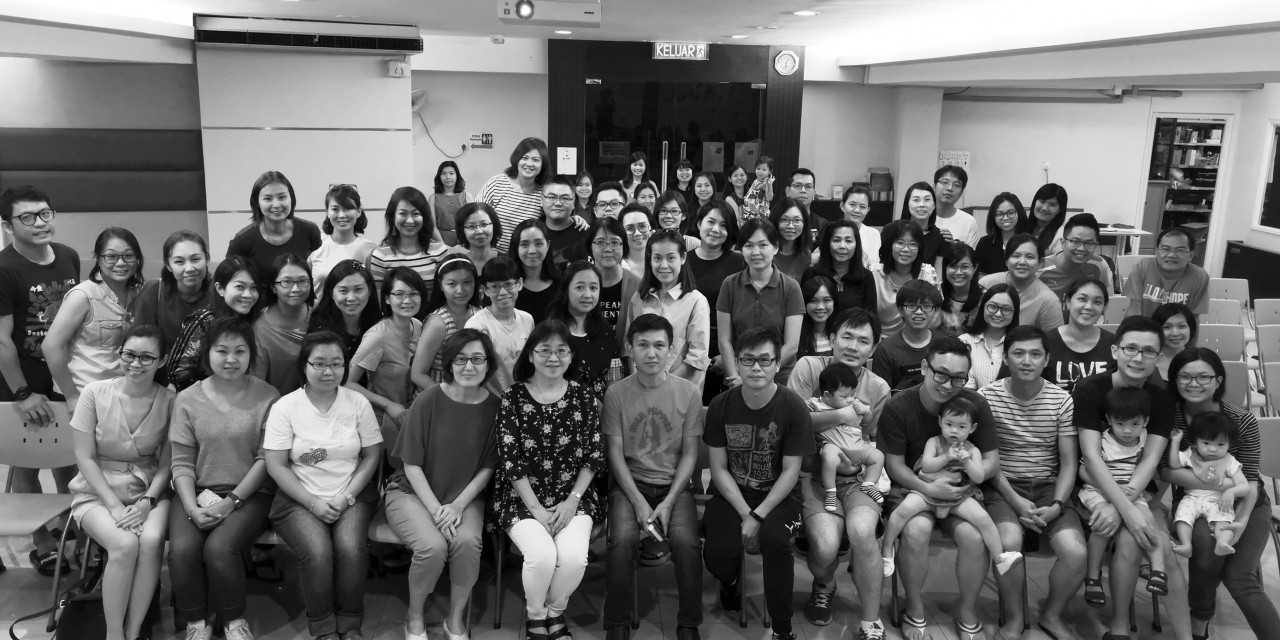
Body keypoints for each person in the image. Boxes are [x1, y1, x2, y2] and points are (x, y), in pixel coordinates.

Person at [1072, 315, 1190, 639]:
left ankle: (1183, 636)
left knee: (1152, 541)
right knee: (1137, 534)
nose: (1139, 358)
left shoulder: (1161, 398)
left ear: (1158, 356)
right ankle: (1120, 626)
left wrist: (1125, 506)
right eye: (1131, 349)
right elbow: (1091, 456)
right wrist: (1122, 508)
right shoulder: (1090, 389)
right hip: (1094, 488)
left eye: (1149, 351)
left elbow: (1151, 458)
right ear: (1115, 350)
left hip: (1139, 492)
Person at [877, 336, 1001, 640]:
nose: (948, 385)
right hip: (912, 488)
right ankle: (915, 608)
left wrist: (968, 475)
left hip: (961, 490)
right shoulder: (898, 406)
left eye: (959, 378)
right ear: (924, 367)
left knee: (974, 537)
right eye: (941, 374)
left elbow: (991, 462)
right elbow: (895, 466)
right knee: (916, 531)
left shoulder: (975, 405)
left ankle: (967, 610)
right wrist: (929, 488)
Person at [264, 331, 383, 640]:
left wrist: (347, 496)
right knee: (317, 552)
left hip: (352, 493)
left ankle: (350, 622)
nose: (329, 371)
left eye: (336, 363)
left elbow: (372, 456)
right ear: (304, 365)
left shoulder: (357, 402)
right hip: (298, 497)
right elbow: (276, 466)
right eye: (319, 363)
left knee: (351, 548)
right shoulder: (286, 407)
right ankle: (323, 627)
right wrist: (313, 502)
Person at [492, 320, 605, 640]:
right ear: (530, 354)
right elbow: (511, 460)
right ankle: (536, 616)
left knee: (573, 559)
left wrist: (571, 502)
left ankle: (555, 611)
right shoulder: (512, 397)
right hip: (521, 498)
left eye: (561, 351)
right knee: (541, 556)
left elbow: (594, 454)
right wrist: (537, 510)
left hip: (574, 497)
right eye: (544, 350)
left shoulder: (584, 396)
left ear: (571, 356)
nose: (553, 358)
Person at [168, 317, 280, 640]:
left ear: (251, 355)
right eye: (222, 351)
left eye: (240, 351)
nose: (231, 359)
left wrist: (232, 501)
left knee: (220, 548)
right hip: (196, 491)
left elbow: (265, 459)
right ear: (207, 354)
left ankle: (233, 621)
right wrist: (191, 508)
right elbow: (182, 463)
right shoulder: (187, 399)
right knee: (183, 550)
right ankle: (196, 623)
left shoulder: (268, 396)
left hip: (250, 494)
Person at [385, 329, 499, 640]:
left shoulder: (495, 407)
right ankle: (415, 615)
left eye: (477, 359)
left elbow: (489, 465)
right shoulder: (428, 400)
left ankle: (455, 618)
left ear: (488, 364)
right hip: (412, 493)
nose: (468, 366)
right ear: (449, 363)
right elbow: (411, 465)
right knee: (432, 548)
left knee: (468, 543)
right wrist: (438, 510)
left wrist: (458, 505)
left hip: (465, 497)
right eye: (460, 359)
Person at [787, 308, 890, 640]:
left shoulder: (878, 386)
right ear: (831, 338)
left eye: (863, 341)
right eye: (846, 336)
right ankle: (825, 583)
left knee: (862, 531)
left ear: (874, 348)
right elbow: (793, 422)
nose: (853, 346)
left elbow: (870, 436)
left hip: (857, 477)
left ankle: (870, 621)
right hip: (812, 475)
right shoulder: (808, 367)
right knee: (826, 546)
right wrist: (844, 414)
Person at [702, 328, 812, 640]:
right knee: (718, 554)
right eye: (748, 360)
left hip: (780, 497)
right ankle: (730, 581)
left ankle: (782, 629)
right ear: (736, 363)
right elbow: (718, 468)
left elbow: (791, 471)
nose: (756, 368)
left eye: (765, 360)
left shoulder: (794, 407)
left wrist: (759, 515)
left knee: (776, 542)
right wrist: (745, 513)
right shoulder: (720, 405)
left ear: (778, 364)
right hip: (732, 494)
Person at [977, 325, 1086, 640]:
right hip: (1002, 485)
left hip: (1050, 486)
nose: (1027, 361)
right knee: (1008, 543)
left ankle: (1051, 615)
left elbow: (1068, 462)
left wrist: (1057, 505)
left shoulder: (1061, 400)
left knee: (1076, 553)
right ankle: (1014, 618)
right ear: (1006, 358)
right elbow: (989, 461)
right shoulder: (986, 398)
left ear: (1046, 359)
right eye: (1019, 353)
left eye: (1035, 354)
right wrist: (1014, 500)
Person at [67, 325, 175, 640]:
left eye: (147, 357)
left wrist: (147, 502)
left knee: (151, 541)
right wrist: (114, 506)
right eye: (129, 354)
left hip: (149, 490)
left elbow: (167, 464)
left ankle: (134, 630)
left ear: (162, 360)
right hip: (96, 492)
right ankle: (114, 634)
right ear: (120, 354)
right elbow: (84, 456)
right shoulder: (94, 393)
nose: (136, 363)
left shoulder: (172, 400)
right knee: (125, 544)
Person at [1163, 347, 1280, 638]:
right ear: (1174, 380)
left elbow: (1250, 481)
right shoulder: (1169, 419)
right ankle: (1198, 625)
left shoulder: (1241, 420)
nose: (1194, 383)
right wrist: (1221, 484)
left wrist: (1239, 523)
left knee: (1239, 577)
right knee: (1205, 556)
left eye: (1203, 377)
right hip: (1195, 503)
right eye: (1185, 377)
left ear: (1218, 381)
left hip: (1247, 504)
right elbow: (1165, 471)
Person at [602, 314, 704, 640]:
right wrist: (638, 502)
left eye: (659, 345)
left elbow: (690, 454)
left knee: (687, 543)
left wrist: (670, 501)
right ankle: (617, 621)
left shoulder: (689, 393)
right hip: (630, 484)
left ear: (671, 349)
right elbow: (615, 453)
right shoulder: (616, 394)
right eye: (643, 345)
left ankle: (689, 623)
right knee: (622, 541)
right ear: (630, 348)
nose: (651, 353)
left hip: (675, 486)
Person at [0, 186, 80, 573]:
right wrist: (23, 393)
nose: (40, 223)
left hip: (64, 379)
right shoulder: (4, 268)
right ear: (8, 225)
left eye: (45, 213)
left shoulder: (68, 256)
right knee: (27, 462)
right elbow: (1, 340)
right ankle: (42, 541)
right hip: (23, 384)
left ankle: (71, 525)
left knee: (67, 458)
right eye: (27, 217)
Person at [880, 394, 1022, 577]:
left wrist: (968, 462)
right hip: (927, 492)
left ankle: (1000, 558)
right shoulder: (934, 442)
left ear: (972, 428)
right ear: (940, 422)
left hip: (958, 496)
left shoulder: (972, 450)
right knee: (904, 510)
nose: (954, 430)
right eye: (949, 424)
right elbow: (926, 466)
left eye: (961, 426)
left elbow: (979, 477)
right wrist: (946, 457)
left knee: (983, 519)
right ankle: (887, 548)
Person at [1076, 387, 1171, 602]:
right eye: (1120, 424)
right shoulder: (1102, 441)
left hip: (1132, 493)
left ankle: (1158, 571)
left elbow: (1150, 469)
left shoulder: (1145, 441)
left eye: (1135, 424)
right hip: (1098, 490)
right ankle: (1093, 576)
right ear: (1109, 419)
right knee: (1102, 525)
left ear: (1146, 421)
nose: (1127, 431)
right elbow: (1083, 471)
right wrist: (1111, 488)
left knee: (1148, 520)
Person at [43, 227, 145, 409]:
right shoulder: (83, 295)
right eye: (111, 256)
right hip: (83, 395)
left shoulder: (138, 293)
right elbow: (51, 346)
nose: (121, 263)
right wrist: (72, 396)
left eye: (128, 256)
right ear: (98, 259)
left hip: (120, 394)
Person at [716, 219, 804, 386]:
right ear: (741, 249)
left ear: (775, 247)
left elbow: (792, 345)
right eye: (749, 246)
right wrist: (737, 377)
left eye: (763, 245)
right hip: (738, 376)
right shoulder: (729, 284)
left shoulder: (791, 287)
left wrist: (762, 374)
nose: (756, 252)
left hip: (780, 378)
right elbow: (724, 341)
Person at [347, 267, 426, 450]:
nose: (407, 300)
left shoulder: (418, 325)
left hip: (411, 415)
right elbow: (347, 382)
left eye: (413, 294)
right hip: (383, 420)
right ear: (388, 299)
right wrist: (388, 405)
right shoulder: (378, 336)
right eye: (399, 294)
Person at [623, 230, 710, 390]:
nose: (664, 265)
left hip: (679, 390)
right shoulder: (639, 298)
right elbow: (629, 346)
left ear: (683, 258)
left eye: (671, 258)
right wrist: (639, 383)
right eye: (657, 258)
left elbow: (696, 357)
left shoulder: (696, 302)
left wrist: (662, 385)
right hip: (641, 389)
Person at [130, 230, 214, 385]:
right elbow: (140, 345)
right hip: (161, 384)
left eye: (196, 259)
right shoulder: (154, 291)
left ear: (207, 258)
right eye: (179, 262)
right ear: (168, 265)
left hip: (210, 384)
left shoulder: (219, 293)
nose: (189, 268)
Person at [169, 257, 261, 391]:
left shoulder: (254, 320)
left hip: (238, 393)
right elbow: (178, 372)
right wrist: (207, 395)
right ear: (220, 288)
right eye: (240, 287)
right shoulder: (203, 321)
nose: (248, 295)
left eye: (253, 288)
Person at [686, 201, 744, 402]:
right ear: (699, 223)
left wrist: (729, 355)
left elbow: (742, 311)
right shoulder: (683, 261)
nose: (716, 229)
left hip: (724, 343)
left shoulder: (739, 262)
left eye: (723, 225)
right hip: (689, 344)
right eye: (710, 222)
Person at [809, 363, 886, 511]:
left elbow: (867, 423)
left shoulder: (855, 404)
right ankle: (830, 492)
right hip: (836, 449)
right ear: (827, 396)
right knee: (829, 455)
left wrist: (866, 411)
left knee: (878, 456)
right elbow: (803, 417)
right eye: (845, 396)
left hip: (858, 446)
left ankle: (869, 484)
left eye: (853, 394)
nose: (850, 399)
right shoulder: (815, 404)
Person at [1168, 413, 1247, 557]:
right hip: (1191, 498)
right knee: (1182, 518)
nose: (1213, 449)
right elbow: (1174, 464)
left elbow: (1244, 485)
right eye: (1206, 443)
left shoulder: (1229, 461)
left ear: (1229, 444)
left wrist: (1231, 492)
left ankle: (1222, 543)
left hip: (1218, 500)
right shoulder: (1191, 454)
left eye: (1220, 444)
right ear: (1196, 441)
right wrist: (1175, 442)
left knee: (1225, 522)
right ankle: (1186, 545)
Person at [226, 171, 322, 280]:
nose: (276, 204)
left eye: (282, 197)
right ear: (257, 202)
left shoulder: (310, 231)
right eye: (268, 198)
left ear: (291, 198)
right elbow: (228, 280)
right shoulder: (242, 240)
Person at [549, 260, 625, 399]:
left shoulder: (604, 329)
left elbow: (614, 372)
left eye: (593, 288)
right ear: (566, 289)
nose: (588, 295)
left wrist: (610, 405)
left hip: (603, 407)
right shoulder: (551, 331)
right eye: (580, 287)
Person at [464, 254, 534, 395]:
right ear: (485, 290)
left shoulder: (527, 319)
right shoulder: (476, 326)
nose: (503, 292)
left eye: (508, 284)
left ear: (519, 284)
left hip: (527, 397)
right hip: (492, 400)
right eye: (494, 287)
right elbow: (474, 372)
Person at [410, 256, 481, 389]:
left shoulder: (480, 315)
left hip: (469, 392)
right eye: (452, 284)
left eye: (467, 282)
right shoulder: (438, 323)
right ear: (441, 285)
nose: (460, 290)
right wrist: (449, 397)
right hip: (437, 393)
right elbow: (418, 374)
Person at [368, 186, 449, 298]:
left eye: (416, 214)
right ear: (393, 216)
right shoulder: (380, 255)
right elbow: (380, 299)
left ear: (424, 217)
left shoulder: (439, 251)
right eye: (403, 214)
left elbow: (445, 295)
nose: (410, 220)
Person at [250, 254, 313, 395]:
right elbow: (256, 383)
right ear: (273, 287)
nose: (296, 289)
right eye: (286, 282)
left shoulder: (320, 316)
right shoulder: (259, 327)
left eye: (302, 281)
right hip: (274, 402)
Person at [977, 233, 1063, 333]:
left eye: (1030, 257)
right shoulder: (986, 284)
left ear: (1040, 263)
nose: (1022, 262)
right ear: (1006, 260)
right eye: (1016, 256)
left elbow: (1053, 340)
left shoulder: (1049, 301)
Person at [479, 137, 552, 252]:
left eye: (535, 160)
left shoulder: (544, 193)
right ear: (517, 159)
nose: (529, 164)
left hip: (525, 256)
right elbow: (475, 215)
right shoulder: (497, 183)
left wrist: (573, 219)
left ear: (543, 164)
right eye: (524, 158)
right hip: (492, 254)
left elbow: (554, 219)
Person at [870, 220, 938, 341]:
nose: (906, 249)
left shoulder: (927, 273)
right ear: (890, 244)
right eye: (900, 243)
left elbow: (935, 314)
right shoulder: (874, 273)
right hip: (877, 338)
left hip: (914, 338)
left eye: (913, 244)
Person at [1044, 277, 1115, 392]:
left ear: (1104, 307)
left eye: (1097, 302)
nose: (1089, 307)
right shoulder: (1046, 342)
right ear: (1068, 301)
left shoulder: (1114, 344)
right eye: (1082, 299)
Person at [1123, 226, 1210, 317]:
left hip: (1177, 326)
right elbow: (1135, 309)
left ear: (1191, 255)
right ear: (1156, 252)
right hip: (1145, 325)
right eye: (1165, 249)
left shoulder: (1199, 276)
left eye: (1180, 250)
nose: (1172, 255)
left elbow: (1193, 317)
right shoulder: (1143, 267)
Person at [873, 279, 942, 391]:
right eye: (911, 305)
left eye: (926, 306)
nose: (919, 312)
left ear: (936, 310)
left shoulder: (944, 345)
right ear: (900, 309)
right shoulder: (885, 350)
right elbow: (881, 395)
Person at [308, 184, 376, 292]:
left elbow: (372, 290)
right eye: (335, 209)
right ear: (327, 212)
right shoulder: (316, 242)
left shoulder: (369, 249)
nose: (341, 215)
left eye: (348, 208)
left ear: (359, 211)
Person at [307, 259, 379, 359]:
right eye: (343, 291)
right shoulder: (319, 328)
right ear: (331, 294)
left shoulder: (379, 326)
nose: (351, 298)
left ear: (370, 290)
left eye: (358, 289)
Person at [1035, 213, 1116, 300]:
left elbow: (1109, 301)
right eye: (1075, 241)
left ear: (1095, 245)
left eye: (1089, 243)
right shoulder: (1039, 268)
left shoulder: (1100, 265)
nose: (1081, 248)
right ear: (1063, 243)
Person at [959, 283, 1020, 390]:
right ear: (983, 307)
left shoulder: (1020, 346)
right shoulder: (964, 342)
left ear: (1014, 313)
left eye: (1006, 309)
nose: (998, 314)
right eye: (992, 306)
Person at [585, 215, 640, 330]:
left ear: (624, 246)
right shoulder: (579, 283)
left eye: (615, 242)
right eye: (600, 242)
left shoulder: (638, 286)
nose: (608, 249)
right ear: (590, 246)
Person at [509, 219, 562, 320]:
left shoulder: (561, 286)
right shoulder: (507, 287)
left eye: (538, 243)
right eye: (524, 244)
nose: (532, 251)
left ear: (548, 245)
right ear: (516, 247)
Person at [974, 192, 1027, 279]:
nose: (1005, 218)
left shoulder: (1029, 242)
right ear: (993, 217)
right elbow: (981, 279)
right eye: (999, 214)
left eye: (1010, 213)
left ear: (1019, 213)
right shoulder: (985, 243)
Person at [541, 176, 589, 268]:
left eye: (565, 198)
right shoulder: (533, 230)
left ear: (574, 202)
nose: (558, 203)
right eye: (552, 197)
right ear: (541, 200)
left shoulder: (585, 234)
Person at [899, 182, 947, 271]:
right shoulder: (893, 231)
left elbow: (938, 274)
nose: (922, 205)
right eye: (916, 200)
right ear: (907, 204)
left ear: (934, 205)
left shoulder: (940, 237)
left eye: (927, 200)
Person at [938, 243, 981, 337]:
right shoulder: (937, 294)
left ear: (974, 268)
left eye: (965, 267)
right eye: (953, 266)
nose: (958, 272)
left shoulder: (985, 298)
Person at [932, 165, 979, 247]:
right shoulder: (922, 217)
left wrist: (954, 245)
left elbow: (969, 254)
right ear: (934, 186)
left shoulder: (969, 222)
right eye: (945, 182)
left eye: (956, 185)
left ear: (961, 193)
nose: (949, 188)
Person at [449, 202, 502, 272]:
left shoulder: (507, 263)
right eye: (471, 226)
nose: (479, 231)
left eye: (484, 224)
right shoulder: (456, 266)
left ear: (494, 226)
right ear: (462, 230)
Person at [768, 197, 814, 280]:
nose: (791, 226)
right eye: (784, 220)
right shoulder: (767, 253)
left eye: (797, 220)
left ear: (804, 223)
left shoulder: (805, 255)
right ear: (775, 221)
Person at [429, 160, 472, 246]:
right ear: (439, 176)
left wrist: (462, 243)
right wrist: (444, 246)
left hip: (464, 241)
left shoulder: (467, 196)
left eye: (451, 173)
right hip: (440, 242)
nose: (448, 177)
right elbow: (433, 226)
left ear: (457, 176)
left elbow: (472, 223)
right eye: (444, 173)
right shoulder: (433, 198)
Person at [1153, 302, 1197, 385]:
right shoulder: (1148, 359)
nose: (1175, 333)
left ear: (1191, 328)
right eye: (1167, 327)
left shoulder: (1200, 359)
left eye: (1181, 326)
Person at [841, 186, 882, 271]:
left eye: (862, 207)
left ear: (868, 210)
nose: (857, 210)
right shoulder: (832, 230)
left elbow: (874, 267)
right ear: (842, 206)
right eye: (852, 205)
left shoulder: (873, 234)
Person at [796, 275, 837, 359]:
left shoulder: (840, 336)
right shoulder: (794, 338)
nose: (820, 307)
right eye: (813, 301)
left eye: (826, 300)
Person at [1027, 183, 1069, 258]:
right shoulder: (1023, 226)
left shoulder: (1061, 235)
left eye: (1052, 205)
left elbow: (1058, 263)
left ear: (1059, 210)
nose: (1045, 208)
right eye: (1042, 201)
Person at [619, 203, 653, 280]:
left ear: (651, 228)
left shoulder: (661, 263)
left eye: (643, 226)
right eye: (630, 228)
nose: (637, 233)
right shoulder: (618, 267)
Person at [741, 155, 775, 220]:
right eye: (758, 169)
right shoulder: (756, 180)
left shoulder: (767, 182)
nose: (760, 171)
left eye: (764, 170)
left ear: (770, 171)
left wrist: (770, 185)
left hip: (759, 214)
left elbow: (770, 198)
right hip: (749, 210)